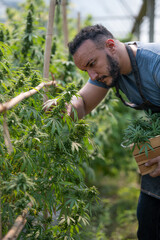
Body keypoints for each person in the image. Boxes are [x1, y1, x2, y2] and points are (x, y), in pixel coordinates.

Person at [46, 24, 160, 239]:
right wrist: (62, 107)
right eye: (85, 71)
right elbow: (83, 104)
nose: (92, 74)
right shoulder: (109, 71)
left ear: (110, 46)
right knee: (148, 223)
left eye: (92, 64)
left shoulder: (155, 63)